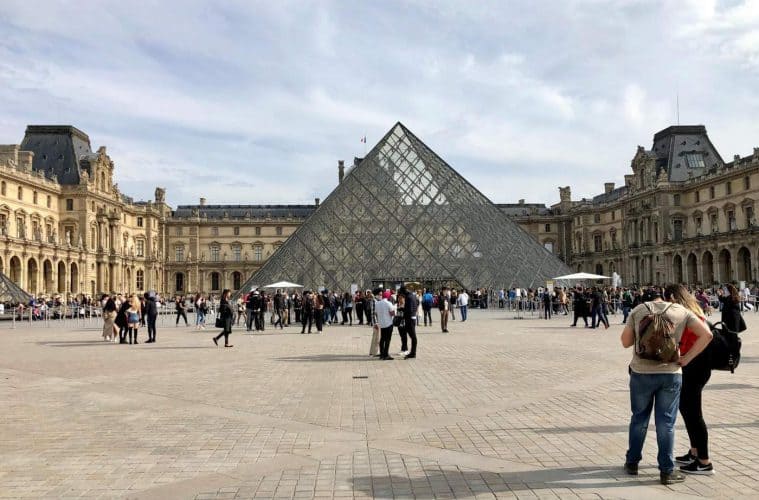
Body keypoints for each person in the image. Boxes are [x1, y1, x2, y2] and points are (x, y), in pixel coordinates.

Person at [621, 287, 713, 485]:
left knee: (639, 419)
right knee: (666, 423)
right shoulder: (681, 311)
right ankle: (666, 471)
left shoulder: (638, 310)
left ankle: (632, 462)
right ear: (665, 297)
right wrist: (686, 358)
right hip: (670, 373)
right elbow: (707, 334)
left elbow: (625, 342)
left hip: (641, 372)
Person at [665, 285, 715, 475]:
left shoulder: (687, 313)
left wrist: (687, 358)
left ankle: (704, 462)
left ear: (672, 297)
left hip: (695, 368)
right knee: (687, 411)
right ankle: (695, 453)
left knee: (694, 414)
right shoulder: (692, 311)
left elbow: (707, 336)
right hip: (696, 367)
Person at [373, 287, 396, 360]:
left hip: (381, 323)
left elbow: (376, 313)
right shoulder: (388, 303)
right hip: (388, 323)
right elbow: (392, 313)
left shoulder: (377, 303)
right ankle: (386, 354)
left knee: (382, 338)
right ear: (388, 297)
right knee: (388, 339)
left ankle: (382, 354)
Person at [400, 286, 418, 359]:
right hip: (413, 317)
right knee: (413, 336)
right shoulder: (412, 295)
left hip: (410, 319)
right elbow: (416, 305)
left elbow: (409, 309)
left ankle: (413, 353)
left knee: (413, 336)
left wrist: (403, 310)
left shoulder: (408, 297)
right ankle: (413, 352)